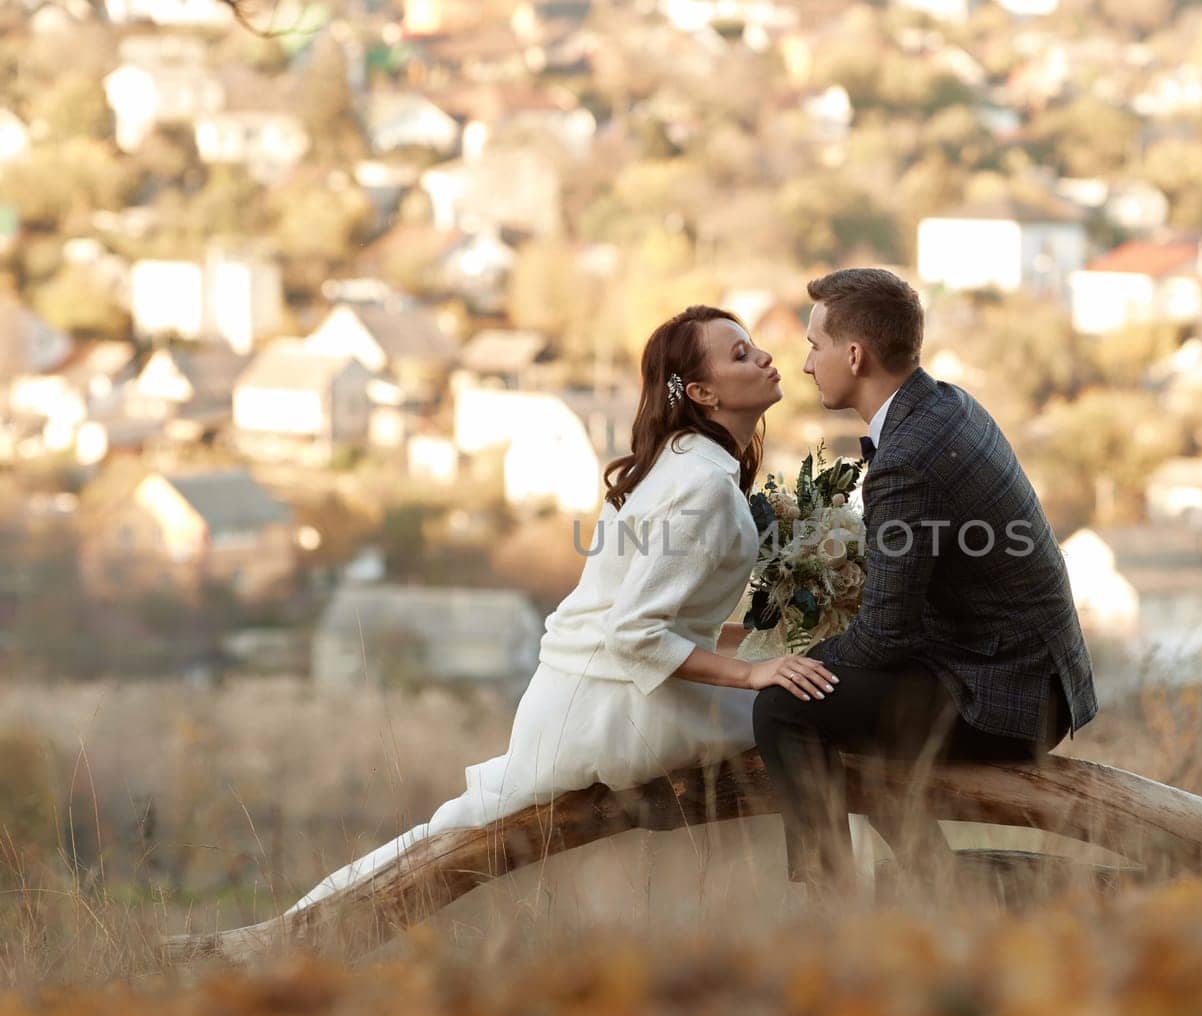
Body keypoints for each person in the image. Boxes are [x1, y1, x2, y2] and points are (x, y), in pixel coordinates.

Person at [288, 306, 838, 912]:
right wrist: (755, 673)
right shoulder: (701, 484)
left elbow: (675, 621)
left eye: (754, 346)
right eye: (739, 353)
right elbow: (635, 633)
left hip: (584, 693)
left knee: (799, 699)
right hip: (620, 706)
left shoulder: (685, 460)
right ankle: (827, 896)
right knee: (803, 720)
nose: (763, 356)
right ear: (702, 392)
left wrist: (772, 640)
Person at [751, 267, 1099, 888]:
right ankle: (933, 880)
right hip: (1025, 672)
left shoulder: (910, 458)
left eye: (814, 345)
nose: (806, 364)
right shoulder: (946, 405)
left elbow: (885, 636)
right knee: (833, 697)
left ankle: (832, 901)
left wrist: (796, 663)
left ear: (854, 355)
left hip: (1007, 698)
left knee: (784, 706)